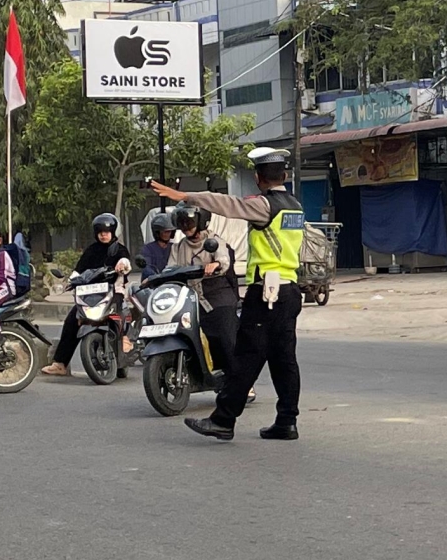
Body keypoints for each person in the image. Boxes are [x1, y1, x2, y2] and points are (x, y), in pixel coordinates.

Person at [154, 147, 308, 440]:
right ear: (285, 175)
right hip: (289, 290)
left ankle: (224, 420)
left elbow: (227, 203)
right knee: (283, 359)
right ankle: (287, 421)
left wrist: (186, 196)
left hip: (266, 292)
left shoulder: (265, 206)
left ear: (257, 177)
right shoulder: (294, 206)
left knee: (246, 355)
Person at [41, 213, 133, 378]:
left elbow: (125, 262)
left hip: (113, 292)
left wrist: (122, 265)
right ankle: (60, 363)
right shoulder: (91, 250)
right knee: (71, 321)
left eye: (106, 231)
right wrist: (70, 281)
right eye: (100, 231)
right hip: (90, 294)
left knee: (118, 317)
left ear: (114, 232)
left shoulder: (119, 249)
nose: (103, 234)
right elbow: (79, 270)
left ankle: (123, 343)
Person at [165, 200, 243, 385]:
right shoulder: (178, 247)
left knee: (224, 336)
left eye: (189, 222)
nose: (185, 227)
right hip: (190, 297)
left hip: (217, 293)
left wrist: (215, 264)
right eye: (181, 222)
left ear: (201, 221)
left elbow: (223, 259)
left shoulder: (214, 241)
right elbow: (169, 269)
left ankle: (242, 383)